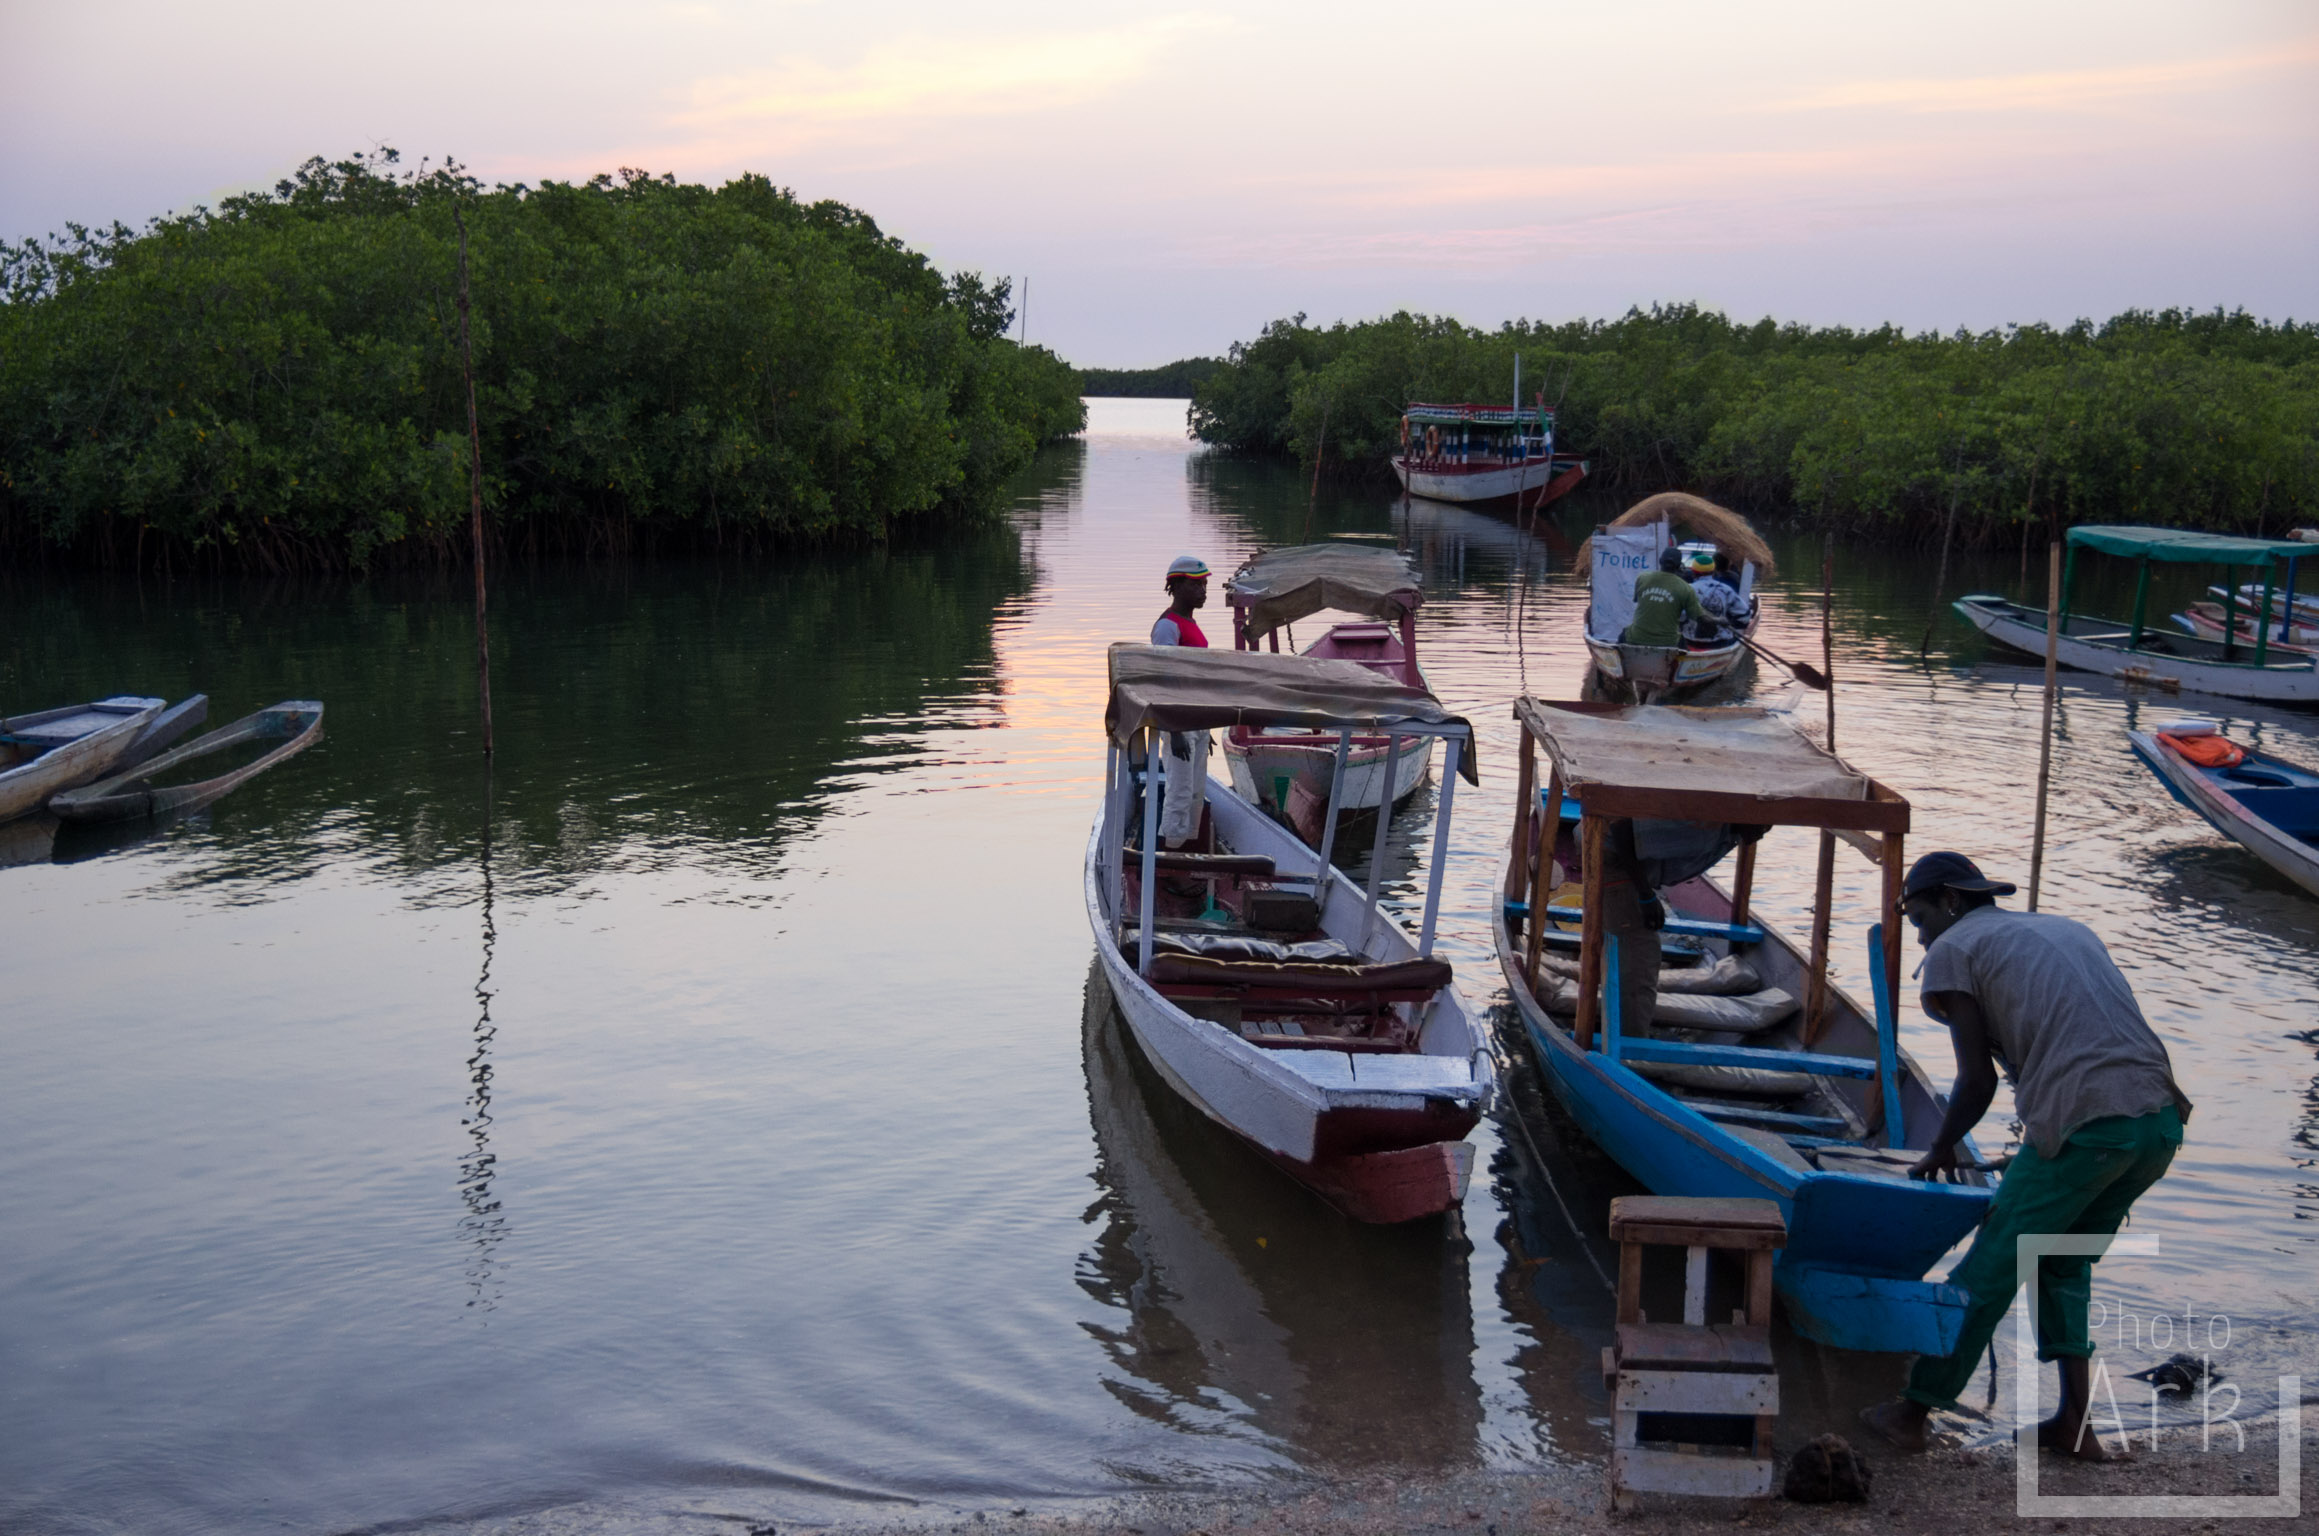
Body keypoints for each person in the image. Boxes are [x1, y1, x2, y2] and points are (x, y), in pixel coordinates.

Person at [1860, 853, 2192, 1460]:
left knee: (1988, 1268)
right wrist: (2039, 1142)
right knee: (2062, 1267)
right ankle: (2075, 1426)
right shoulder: (2064, 928)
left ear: (1952, 902)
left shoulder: (1953, 951)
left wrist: (1938, 1149)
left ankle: (1912, 1413)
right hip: (2158, 1123)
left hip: (2087, 1125)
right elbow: (2085, 1038)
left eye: (1918, 915)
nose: (1919, 933)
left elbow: (1977, 1082)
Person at [1621, 547, 1708, 649]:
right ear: (1679, 566)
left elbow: (1638, 600)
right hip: (1669, 642)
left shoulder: (1642, 578)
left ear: (1660, 561)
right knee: (1684, 645)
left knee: (1623, 635)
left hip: (1635, 638)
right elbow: (1699, 616)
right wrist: (1719, 620)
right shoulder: (1686, 588)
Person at [1684, 547, 1742, 646]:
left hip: (1691, 638)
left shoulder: (1686, 588)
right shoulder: (1731, 583)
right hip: (1720, 639)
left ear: (1693, 572)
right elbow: (1743, 617)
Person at [1151, 556, 1211, 647]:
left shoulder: (1188, 621)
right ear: (1177, 586)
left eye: (1204, 584)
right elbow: (1164, 661)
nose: (1203, 590)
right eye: (1196, 585)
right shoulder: (1167, 625)